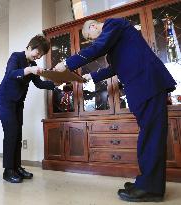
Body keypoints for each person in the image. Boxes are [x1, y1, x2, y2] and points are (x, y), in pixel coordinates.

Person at [53, 18, 176, 202]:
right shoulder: (115, 40)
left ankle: (151, 188)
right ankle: (146, 182)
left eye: (90, 36)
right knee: (149, 135)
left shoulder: (113, 24)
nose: (93, 40)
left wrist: (67, 63)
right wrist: (91, 76)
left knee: (151, 136)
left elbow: (98, 48)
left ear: (93, 26)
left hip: (148, 83)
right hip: (142, 87)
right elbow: (114, 68)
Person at [0, 35, 55, 183]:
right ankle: (8, 170)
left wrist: (56, 84)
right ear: (29, 47)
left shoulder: (32, 64)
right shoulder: (16, 57)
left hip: (18, 102)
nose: (39, 56)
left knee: (17, 135)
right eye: (38, 52)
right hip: (5, 99)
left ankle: (16, 167)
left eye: (41, 54)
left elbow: (40, 84)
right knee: (11, 133)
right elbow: (11, 74)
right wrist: (29, 69)